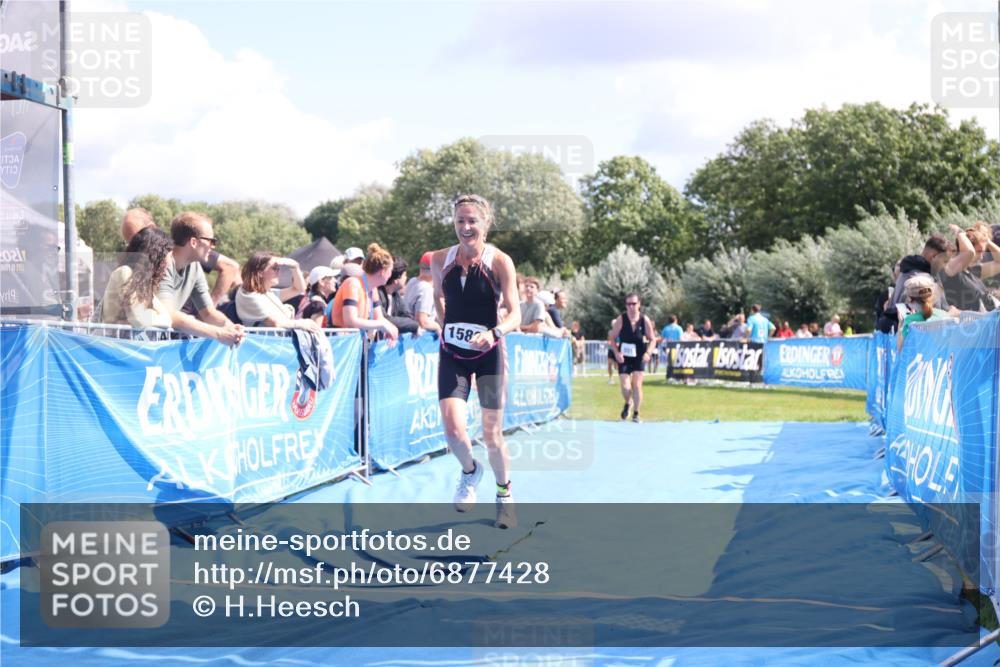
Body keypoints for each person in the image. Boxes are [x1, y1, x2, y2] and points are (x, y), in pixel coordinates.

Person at [431, 194, 521, 529]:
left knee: (492, 433)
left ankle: (504, 494)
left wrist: (494, 333)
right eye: (460, 221)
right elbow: (439, 295)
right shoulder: (440, 259)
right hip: (452, 352)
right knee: (453, 431)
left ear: (485, 223)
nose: (466, 228)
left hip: (489, 353)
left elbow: (516, 313)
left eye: (472, 221)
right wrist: (444, 323)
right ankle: (470, 472)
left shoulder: (500, 261)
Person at [156, 212, 245, 345]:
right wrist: (218, 333)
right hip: (136, 344)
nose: (213, 246)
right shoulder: (163, 263)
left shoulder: (195, 267)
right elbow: (170, 315)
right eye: (211, 241)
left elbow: (208, 313)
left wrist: (231, 327)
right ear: (193, 242)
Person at [326, 243, 400, 345]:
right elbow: (350, 321)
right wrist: (381, 325)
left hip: (353, 344)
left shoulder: (373, 289)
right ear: (383, 272)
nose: (391, 275)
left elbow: (379, 318)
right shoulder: (353, 284)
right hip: (340, 344)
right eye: (390, 271)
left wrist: (391, 329)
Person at [101, 227, 174, 328]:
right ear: (157, 255)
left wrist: (147, 316)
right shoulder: (125, 272)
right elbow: (139, 320)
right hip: (113, 342)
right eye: (170, 256)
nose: (170, 262)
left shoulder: (142, 284)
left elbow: (168, 319)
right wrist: (152, 314)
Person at [877, 233, 950, 333]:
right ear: (934, 257)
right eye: (945, 261)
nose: (945, 266)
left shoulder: (905, 273)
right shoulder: (924, 281)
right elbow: (934, 319)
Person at [235, 252, 319, 331]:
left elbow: (299, 289)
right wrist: (302, 323)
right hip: (265, 344)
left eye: (279, 268)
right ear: (260, 272)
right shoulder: (249, 296)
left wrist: (295, 267)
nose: (278, 272)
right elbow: (276, 323)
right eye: (274, 268)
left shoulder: (266, 293)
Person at [608, 293, 656, 423]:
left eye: (634, 304)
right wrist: (617, 353)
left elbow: (653, 339)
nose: (631, 307)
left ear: (639, 304)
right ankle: (628, 403)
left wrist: (648, 353)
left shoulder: (644, 320)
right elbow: (612, 337)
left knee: (637, 385)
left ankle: (636, 413)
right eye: (628, 304)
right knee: (625, 386)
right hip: (624, 357)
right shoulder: (621, 319)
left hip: (639, 356)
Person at [937, 223, 1000, 312]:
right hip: (967, 324)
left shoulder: (974, 271)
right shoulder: (950, 268)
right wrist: (960, 232)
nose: (981, 257)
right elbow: (970, 252)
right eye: (979, 251)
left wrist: (987, 241)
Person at [897, 275, 952, 351]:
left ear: (910, 299)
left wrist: (900, 324)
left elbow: (900, 349)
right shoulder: (945, 315)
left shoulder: (910, 321)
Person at [377, 256, 420, 334]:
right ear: (396, 279)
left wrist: (411, 324)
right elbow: (384, 319)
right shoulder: (377, 293)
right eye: (404, 275)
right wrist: (414, 326)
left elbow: (408, 316)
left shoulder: (395, 295)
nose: (406, 278)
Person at [403, 251, 441, 334]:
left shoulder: (412, 281)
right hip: (419, 340)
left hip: (407, 333)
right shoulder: (427, 289)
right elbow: (423, 322)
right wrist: (438, 327)